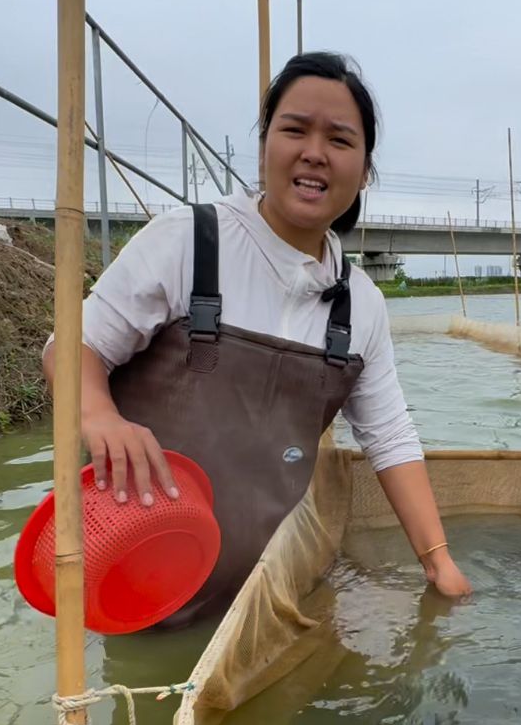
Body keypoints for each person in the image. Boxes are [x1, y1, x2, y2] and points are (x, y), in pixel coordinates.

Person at [43, 51, 471, 624]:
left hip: (262, 598)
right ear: (265, 142)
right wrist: (96, 414)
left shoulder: (360, 302)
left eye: (340, 140)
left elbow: (390, 436)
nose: (314, 152)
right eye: (294, 129)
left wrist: (437, 562)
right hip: (134, 580)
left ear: (364, 169)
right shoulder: (188, 242)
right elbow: (72, 347)